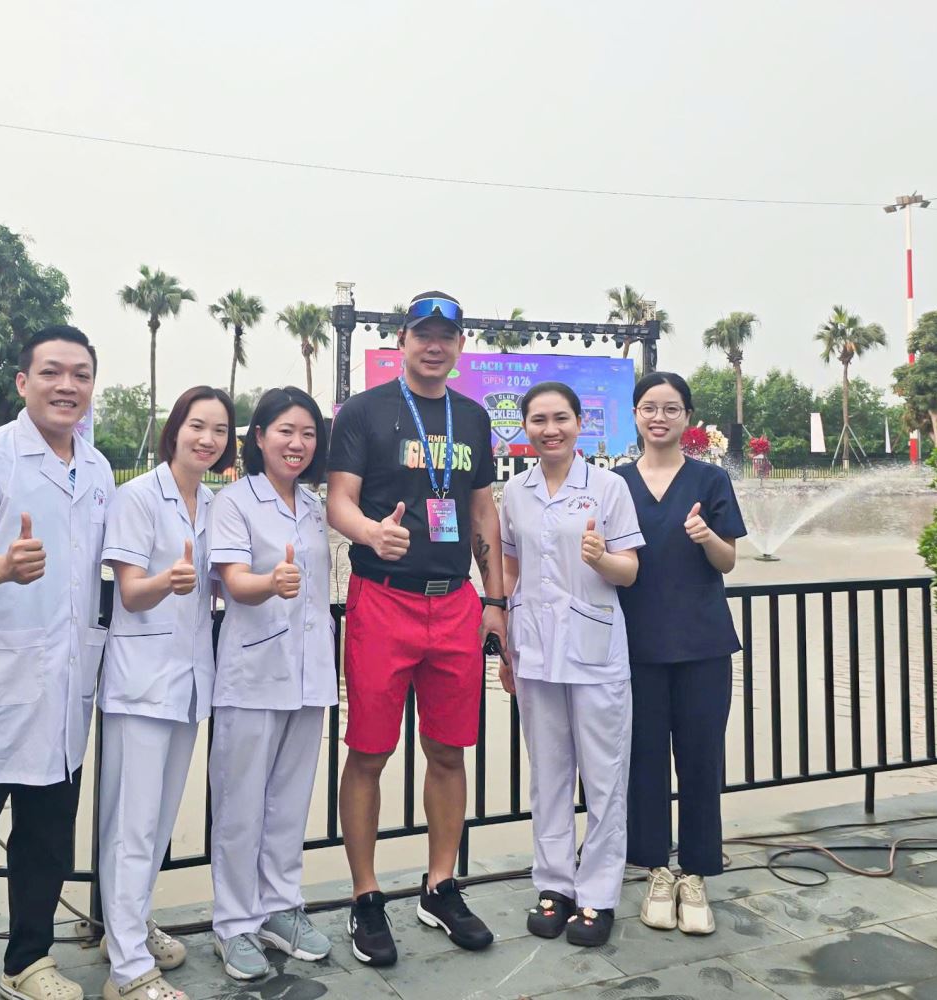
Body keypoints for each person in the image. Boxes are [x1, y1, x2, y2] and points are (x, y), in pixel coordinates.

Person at [0, 326, 116, 1000]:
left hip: (64, 690)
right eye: (52, 372)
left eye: (81, 375)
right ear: (23, 382)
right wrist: (3, 568)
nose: (68, 386)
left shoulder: (97, 470)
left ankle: (28, 961)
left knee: (45, 842)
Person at [326, 290, 506, 965]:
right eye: (423, 334)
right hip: (383, 599)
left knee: (449, 751)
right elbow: (338, 501)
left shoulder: (473, 418)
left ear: (459, 347)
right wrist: (370, 532)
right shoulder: (364, 412)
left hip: (455, 603)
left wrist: (496, 599)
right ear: (401, 341)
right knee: (369, 752)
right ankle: (365, 895)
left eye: (446, 336)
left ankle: (440, 885)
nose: (435, 346)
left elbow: (483, 511)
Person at [98, 386, 235, 1000]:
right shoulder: (137, 497)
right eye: (197, 426)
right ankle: (128, 970)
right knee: (131, 824)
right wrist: (168, 581)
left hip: (188, 682)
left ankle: (128, 928)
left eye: (220, 430)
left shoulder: (215, 503)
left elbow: (220, 583)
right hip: (141, 682)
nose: (207, 439)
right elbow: (130, 593)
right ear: (175, 429)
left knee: (156, 824)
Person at [500, 382, 643, 947]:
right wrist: (507, 643)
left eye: (560, 418)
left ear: (580, 424)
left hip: (595, 650)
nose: (550, 429)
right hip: (534, 650)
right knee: (548, 775)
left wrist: (601, 557)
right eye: (538, 419)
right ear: (525, 428)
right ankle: (554, 883)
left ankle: (598, 893)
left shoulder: (608, 487)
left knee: (604, 777)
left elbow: (629, 570)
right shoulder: (515, 492)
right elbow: (511, 568)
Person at [206, 387, 335, 981]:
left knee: (289, 798)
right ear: (258, 437)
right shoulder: (234, 501)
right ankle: (234, 922)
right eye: (285, 431)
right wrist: (269, 582)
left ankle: (280, 907)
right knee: (241, 803)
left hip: (308, 672)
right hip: (253, 673)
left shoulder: (312, 504)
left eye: (307, 433)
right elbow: (233, 581)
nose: (297, 443)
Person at [613, 372, 747, 937]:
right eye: (649, 407)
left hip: (702, 645)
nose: (659, 418)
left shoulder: (710, 479)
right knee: (642, 760)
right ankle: (656, 870)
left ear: (687, 417)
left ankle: (695, 872)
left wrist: (706, 537)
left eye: (671, 408)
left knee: (700, 759)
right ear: (635, 415)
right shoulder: (615, 483)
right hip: (635, 646)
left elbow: (728, 561)